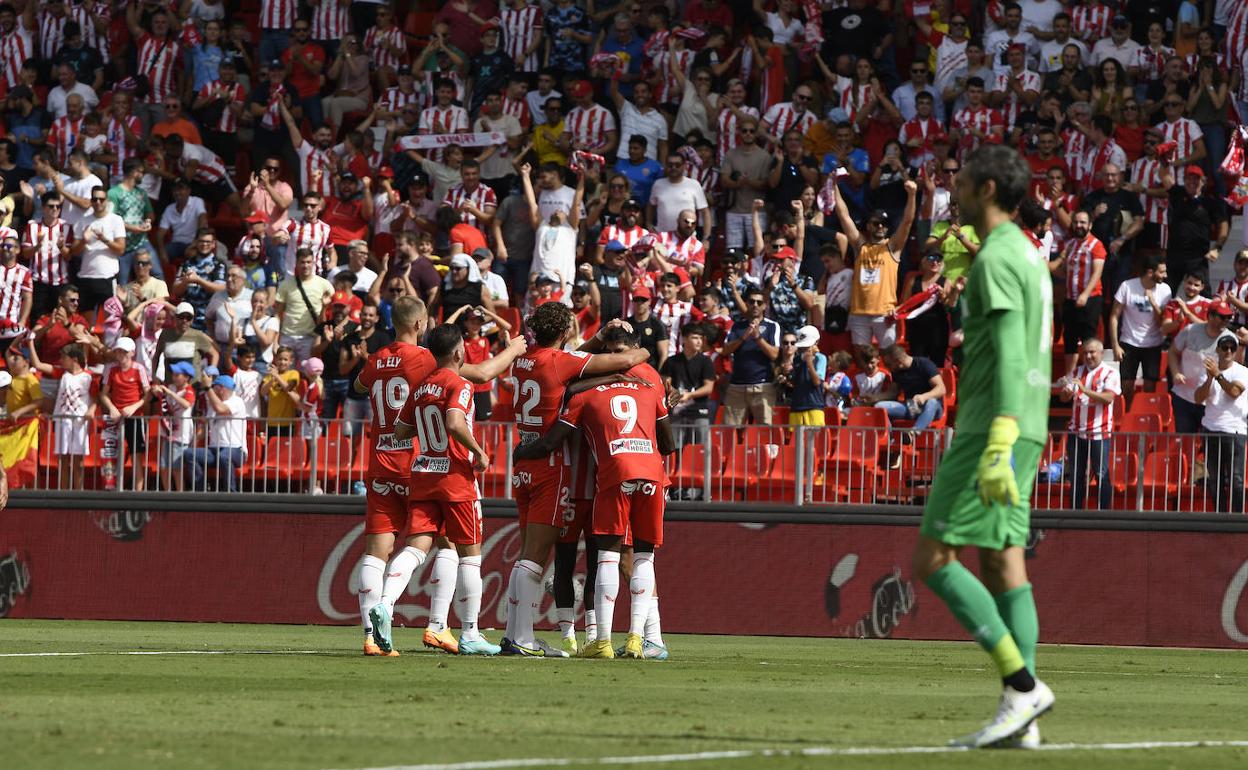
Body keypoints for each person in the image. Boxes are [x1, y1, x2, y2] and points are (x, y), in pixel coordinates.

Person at [911, 145, 1055, 749]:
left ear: (989, 189)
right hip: (1027, 424)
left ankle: (1022, 685)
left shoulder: (996, 256)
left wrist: (995, 438)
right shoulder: (1026, 251)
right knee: (1003, 563)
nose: (954, 192)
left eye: (962, 182)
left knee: (933, 560)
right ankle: (1023, 721)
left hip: (992, 428)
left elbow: (1015, 356)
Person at [352, 297, 524, 656]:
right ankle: (441, 626)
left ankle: (372, 631)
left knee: (378, 551)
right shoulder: (428, 362)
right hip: (423, 465)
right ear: (419, 325)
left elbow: (358, 386)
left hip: (383, 462)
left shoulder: (379, 357)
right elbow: (479, 375)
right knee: (449, 545)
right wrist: (514, 350)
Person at [513, 324, 675, 659]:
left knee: (614, 557)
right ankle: (610, 637)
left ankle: (618, 638)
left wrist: (522, 450)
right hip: (640, 474)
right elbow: (667, 439)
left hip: (605, 478)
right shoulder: (648, 378)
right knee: (595, 559)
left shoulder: (584, 388)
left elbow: (557, 427)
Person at [832, 176, 918, 358]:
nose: (880, 226)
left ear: (887, 228)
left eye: (883, 224)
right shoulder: (859, 246)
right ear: (868, 226)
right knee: (863, 361)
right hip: (859, 314)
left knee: (891, 359)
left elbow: (907, 222)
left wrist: (912, 195)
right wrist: (833, 187)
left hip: (884, 314)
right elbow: (843, 215)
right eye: (875, 223)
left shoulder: (893, 247)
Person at [1058, 338, 1120, 510]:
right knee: (1076, 475)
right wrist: (1065, 392)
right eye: (1085, 352)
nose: (1088, 355)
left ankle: (1103, 514)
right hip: (1076, 432)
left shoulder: (1110, 373)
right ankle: (1075, 512)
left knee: (1101, 474)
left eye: (1092, 352)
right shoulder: (1076, 372)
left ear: (1101, 353)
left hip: (1099, 433)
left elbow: (1108, 398)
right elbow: (1064, 398)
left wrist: (1085, 390)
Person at [1108, 254, 1171, 408]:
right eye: (1162, 272)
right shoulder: (1127, 286)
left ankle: (1145, 419)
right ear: (1150, 272)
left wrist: (1153, 302)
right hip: (1129, 342)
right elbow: (1114, 316)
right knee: (1127, 387)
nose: (1165, 275)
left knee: (1150, 387)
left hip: (1153, 344)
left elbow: (1162, 321)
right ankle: (1128, 417)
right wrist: (1115, 345)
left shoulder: (1165, 290)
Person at [1195, 334, 1247, 513]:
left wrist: (1217, 375)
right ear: (1218, 350)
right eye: (1225, 348)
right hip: (1211, 429)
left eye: (1232, 348)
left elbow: (1234, 391)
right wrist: (1209, 378)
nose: (1229, 351)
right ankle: (1220, 515)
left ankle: (1238, 517)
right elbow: (1198, 398)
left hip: (1235, 431)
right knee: (1215, 478)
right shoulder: (1208, 372)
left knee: (1236, 479)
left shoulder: (1242, 371)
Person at [1049, 210, 1105, 373]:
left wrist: (1085, 294)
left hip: (1090, 299)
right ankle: (1069, 376)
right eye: (1076, 222)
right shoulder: (1071, 244)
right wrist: (1045, 264)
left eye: (1082, 222)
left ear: (1090, 225)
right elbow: (1064, 271)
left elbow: (1097, 272)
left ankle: (1090, 376)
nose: (1079, 226)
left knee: (1089, 338)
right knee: (1069, 338)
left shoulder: (1096, 245)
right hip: (1070, 298)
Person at [1168, 301, 1236, 433]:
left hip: (1212, 402)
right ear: (1210, 316)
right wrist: (1175, 372)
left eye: (1229, 317)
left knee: (1209, 446)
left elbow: (1234, 368)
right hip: (1184, 396)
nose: (1226, 321)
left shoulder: (1231, 340)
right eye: (1222, 317)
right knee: (1186, 441)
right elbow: (1173, 352)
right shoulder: (1190, 331)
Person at [720, 286, 781, 425]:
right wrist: (743, 337)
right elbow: (725, 350)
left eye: (759, 302)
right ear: (746, 304)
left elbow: (774, 355)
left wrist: (758, 338)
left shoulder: (772, 326)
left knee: (765, 432)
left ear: (765, 305)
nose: (755, 305)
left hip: (763, 386)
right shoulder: (737, 326)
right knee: (730, 431)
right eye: (752, 302)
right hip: (737, 387)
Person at [184, 373, 247, 492]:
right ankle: (200, 491)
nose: (212, 390)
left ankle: (230, 493)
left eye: (214, 387)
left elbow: (221, 409)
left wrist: (207, 388)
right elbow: (206, 426)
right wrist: (193, 441)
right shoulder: (213, 404)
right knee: (190, 454)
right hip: (214, 449)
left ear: (221, 388)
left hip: (236, 450)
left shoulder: (237, 401)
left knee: (224, 456)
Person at [69, 184, 124, 314]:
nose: (98, 202)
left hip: (107, 276)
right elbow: (74, 252)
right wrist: (84, 241)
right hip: (86, 276)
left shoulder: (116, 220)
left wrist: (104, 239)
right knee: (85, 321)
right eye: (94, 199)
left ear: (107, 201)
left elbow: (121, 249)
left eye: (101, 199)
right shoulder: (83, 220)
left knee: (110, 320)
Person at [660, 322, 716, 447]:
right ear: (684, 338)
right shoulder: (672, 361)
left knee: (701, 448)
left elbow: (709, 387)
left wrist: (689, 395)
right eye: (695, 337)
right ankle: (675, 467)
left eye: (701, 338)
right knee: (673, 447)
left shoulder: (706, 361)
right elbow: (665, 383)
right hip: (676, 411)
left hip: (699, 411)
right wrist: (676, 394)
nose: (699, 341)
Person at [868, 345, 947, 432]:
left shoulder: (924, 364)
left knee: (931, 402)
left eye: (888, 364)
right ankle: (890, 438)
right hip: (911, 407)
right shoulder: (896, 371)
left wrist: (924, 397)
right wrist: (875, 398)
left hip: (931, 409)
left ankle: (913, 433)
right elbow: (892, 392)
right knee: (879, 406)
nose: (887, 367)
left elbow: (941, 388)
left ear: (898, 361)